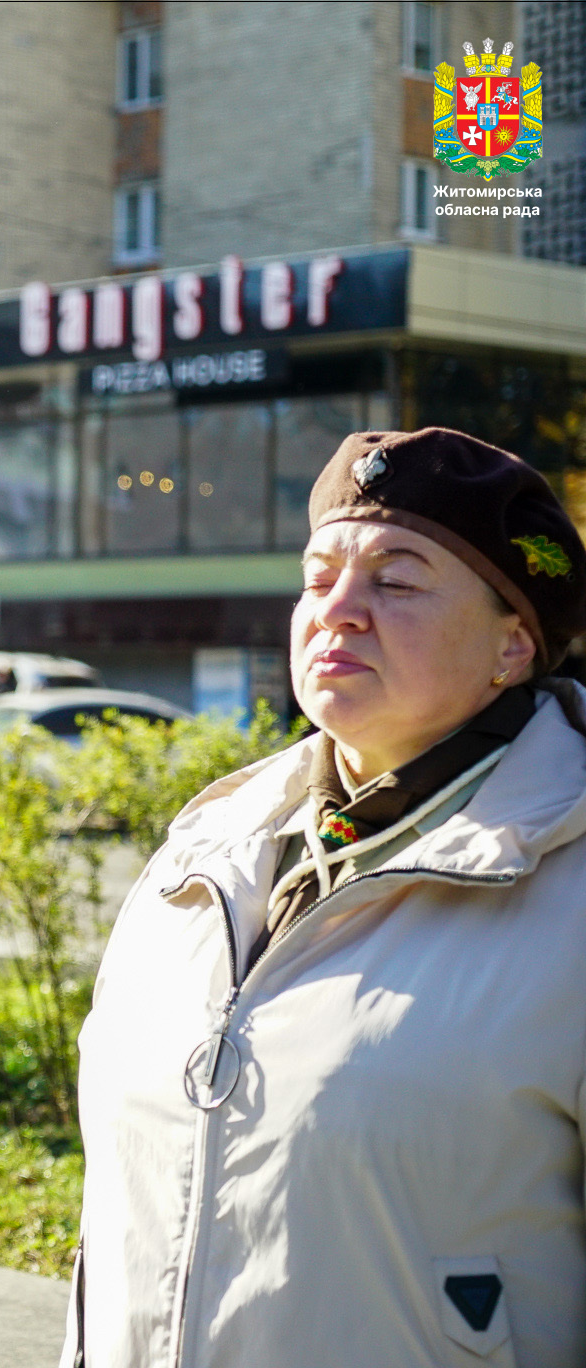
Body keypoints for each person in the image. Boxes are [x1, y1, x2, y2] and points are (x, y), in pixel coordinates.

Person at [64, 428, 586, 1368]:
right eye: (318, 577)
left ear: (514, 643)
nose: (337, 611)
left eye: (396, 579)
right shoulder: (206, 850)